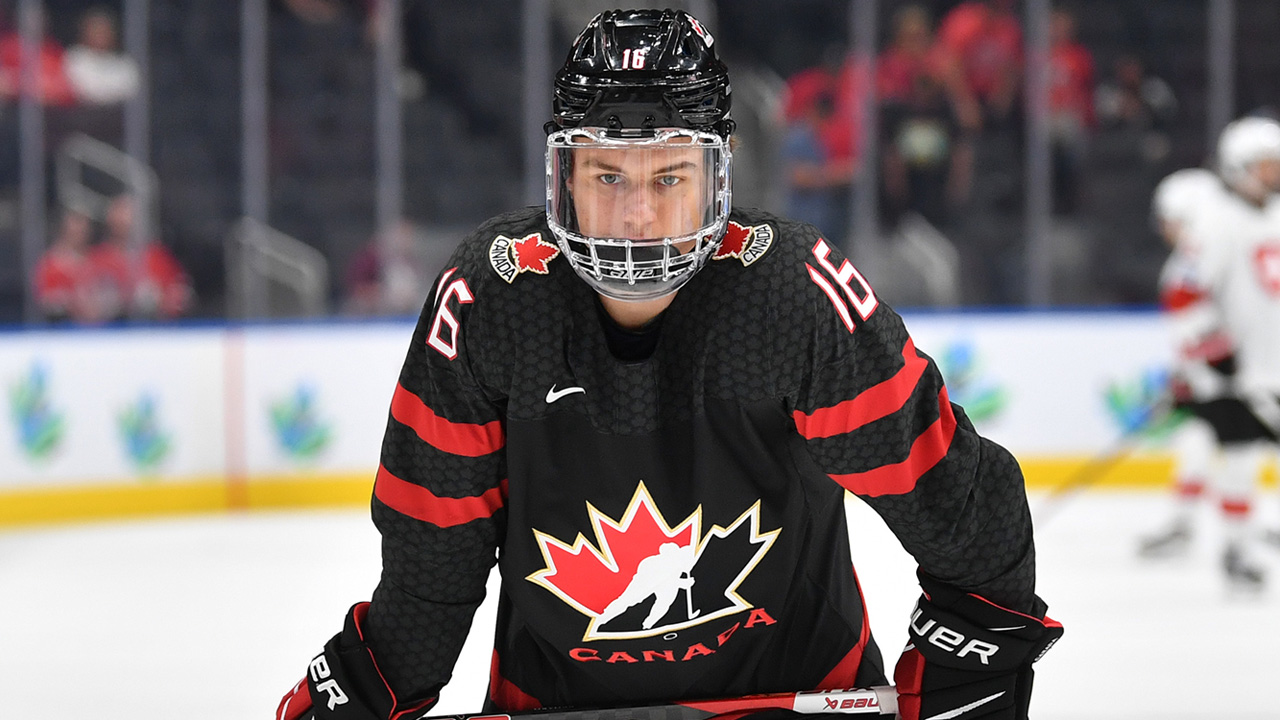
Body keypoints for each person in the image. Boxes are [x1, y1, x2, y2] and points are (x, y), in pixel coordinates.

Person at [276, 10, 1061, 720]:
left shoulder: (789, 295)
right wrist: (369, 683)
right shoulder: (492, 301)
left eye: (670, 176)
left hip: (792, 699)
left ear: (718, 177)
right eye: (608, 174)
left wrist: (975, 659)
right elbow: (428, 574)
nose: (638, 216)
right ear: (565, 179)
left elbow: (963, 511)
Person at [1151, 117, 1280, 589]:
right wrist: (1213, 350)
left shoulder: (1275, 214)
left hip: (1274, 363)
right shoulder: (1217, 223)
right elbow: (1184, 293)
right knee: (1242, 460)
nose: (1274, 174)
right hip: (1243, 373)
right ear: (1238, 168)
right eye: (1265, 166)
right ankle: (1239, 551)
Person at [1137, 167, 1231, 558]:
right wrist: (1187, 373)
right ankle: (1183, 524)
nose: (1164, 229)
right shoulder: (1192, 258)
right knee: (1195, 439)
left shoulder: (1205, 256)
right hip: (1218, 371)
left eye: (1171, 220)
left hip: (1236, 371)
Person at [87, 194, 193, 322]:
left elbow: (181, 296)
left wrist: (161, 301)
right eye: (119, 212)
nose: (123, 220)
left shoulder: (157, 256)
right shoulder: (96, 258)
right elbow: (82, 303)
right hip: (109, 335)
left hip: (153, 333)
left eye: (128, 213)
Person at [63, 6, 140, 105]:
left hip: (118, 116)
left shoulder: (125, 63)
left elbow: (130, 90)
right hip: (83, 116)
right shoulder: (74, 57)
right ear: (85, 32)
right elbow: (84, 91)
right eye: (96, 30)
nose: (100, 35)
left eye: (104, 30)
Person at [33, 208, 99, 323]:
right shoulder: (50, 264)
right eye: (75, 223)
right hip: (63, 331)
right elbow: (47, 302)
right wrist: (72, 303)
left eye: (83, 225)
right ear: (64, 228)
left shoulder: (97, 259)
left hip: (101, 331)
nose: (80, 229)